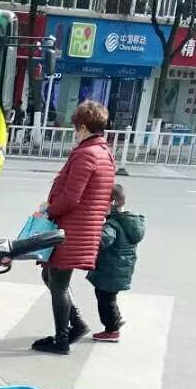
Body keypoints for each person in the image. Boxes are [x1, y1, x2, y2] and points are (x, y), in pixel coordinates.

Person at [32, 99, 117, 354]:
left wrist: (48, 210)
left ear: (83, 127)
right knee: (50, 276)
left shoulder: (86, 154)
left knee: (58, 283)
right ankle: (77, 324)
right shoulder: (104, 152)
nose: (74, 132)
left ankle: (62, 340)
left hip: (72, 229)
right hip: (83, 227)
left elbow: (71, 198)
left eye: (76, 127)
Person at [87, 182, 145, 343]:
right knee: (110, 297)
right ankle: (116, 319)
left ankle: (112, 329)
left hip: (110, 269)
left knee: (105, 299)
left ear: (111, 203)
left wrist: (94, 232)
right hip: (122, 268)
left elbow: (104, 240)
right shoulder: (130, 221)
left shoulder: (112, 224)